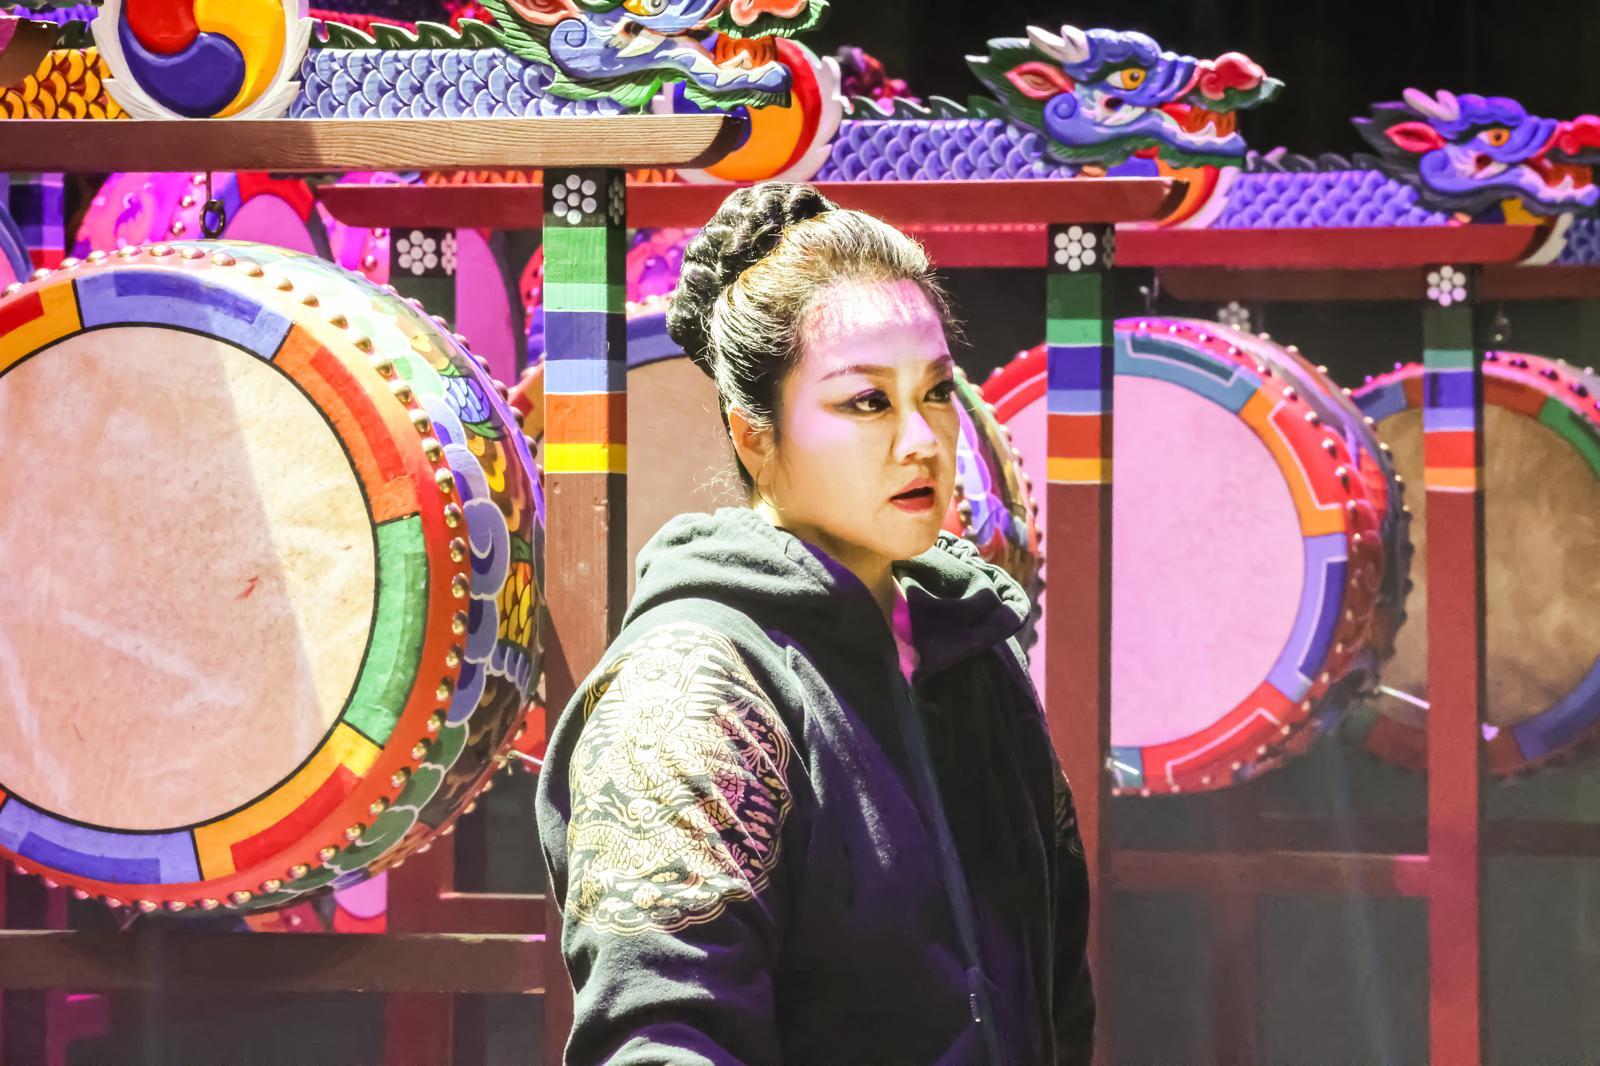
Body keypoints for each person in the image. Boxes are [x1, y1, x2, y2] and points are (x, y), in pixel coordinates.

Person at [535, 181, 1094, 1065]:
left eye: (936, 392)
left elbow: (1056, 999)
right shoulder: (692, 692)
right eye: (866, 402)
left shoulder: (972, 651)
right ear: (753, 435)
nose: (923, 440)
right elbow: (660, 1038)